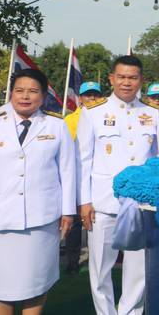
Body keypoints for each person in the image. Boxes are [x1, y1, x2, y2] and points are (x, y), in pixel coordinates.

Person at [0, 68, 76, 315]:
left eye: (33, 91)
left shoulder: (57, 125)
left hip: (41, 219)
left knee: (37, 281)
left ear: (43, 96)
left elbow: (68, 171)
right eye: (19, 91)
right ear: (11, 94)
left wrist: (68, 211)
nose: (25, 96)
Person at [76, 55, 158, 315]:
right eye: (121, 77)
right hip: (103, 202)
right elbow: (83, 160)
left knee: (138, 270)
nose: (126, 82)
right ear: (111, 79)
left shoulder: (154, 113)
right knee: (100, 268)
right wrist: (84, 201)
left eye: (132, 77)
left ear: (141, 80)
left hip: (141, 203)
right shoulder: (93, 112)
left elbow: (158, 160)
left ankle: (130, 312)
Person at [62, 80, 104, 275]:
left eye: (96, 94)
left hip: (97, 175)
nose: (92, 98)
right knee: (76, 221)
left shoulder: (104, 116)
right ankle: (73, 259)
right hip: (75, 174)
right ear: (80, 98)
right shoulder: (70, 120)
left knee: (99, 220)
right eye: (88, 95)